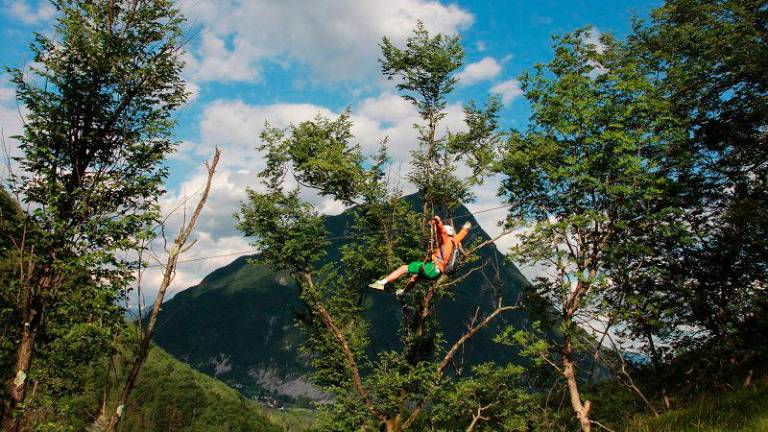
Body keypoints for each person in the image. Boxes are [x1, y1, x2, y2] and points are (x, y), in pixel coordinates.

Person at [369, 216, 471, 295]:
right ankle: (403, 292)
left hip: (432, 268)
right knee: (415, 277)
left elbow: (441, 231)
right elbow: (461, 234)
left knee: (404, 268)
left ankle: (381, 283)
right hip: (437, 273)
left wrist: (437, 221)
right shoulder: (455, 241)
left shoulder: (446, 239)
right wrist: (466, 228)